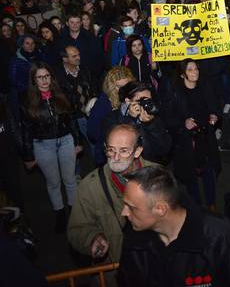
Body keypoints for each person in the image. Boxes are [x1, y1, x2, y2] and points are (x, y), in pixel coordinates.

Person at [117, 165, 230, 286]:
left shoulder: (222, 238)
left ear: (160, 209)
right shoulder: (133, 240)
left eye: (131, 207)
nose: (124, 212)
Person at [67, 124, 161, 271]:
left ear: (137, 151)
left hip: (155, 268)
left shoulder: (159, 177)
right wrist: (92, 238)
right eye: (111, 150)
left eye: (124, 151)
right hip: (114, 272)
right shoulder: (90, 186)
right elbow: (76, 229)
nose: (116, 157)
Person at [21, 62, 81, 233]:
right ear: (34, 79)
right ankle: (60, 216)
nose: (44, 80)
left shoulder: (61, 93)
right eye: (40, 77)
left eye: (47, 76)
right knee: (53, 183)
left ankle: (75, 215)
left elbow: (72, 119)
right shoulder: (27, 100)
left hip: (66, 141)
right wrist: (28, 156)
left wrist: (77, 142)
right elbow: (26, 130)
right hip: (43, 145)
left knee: (70, 180)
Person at [162, 59, 221, 209]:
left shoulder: (205, 86)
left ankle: (211, 204)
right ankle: (196, 206)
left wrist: (214, 115)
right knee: (190, 176)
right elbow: (168, 118)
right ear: (182, 74)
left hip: (205, 137)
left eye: (196, 69)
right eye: (190, 70)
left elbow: (214, 106)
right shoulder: (175, 92)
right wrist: (183, 123)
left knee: (208, 171)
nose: (194, 72)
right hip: (186, 142)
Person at [102, 81, 172, 165]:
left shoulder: (151, 116)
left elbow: (165, 148)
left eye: (148, 100)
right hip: (126, 167)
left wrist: (150, 124)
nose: (145, 104)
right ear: (128, 101)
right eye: (141, 101)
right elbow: (121, 149)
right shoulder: (112, 119)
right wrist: (132, 120)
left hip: (150, 168)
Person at [87, 66, 134, 166]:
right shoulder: (103, 104)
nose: (123, 90)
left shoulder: (135, 97)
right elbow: (92, 132)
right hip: (109, 156)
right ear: (111, 86)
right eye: (118, 87)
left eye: (127, 86)